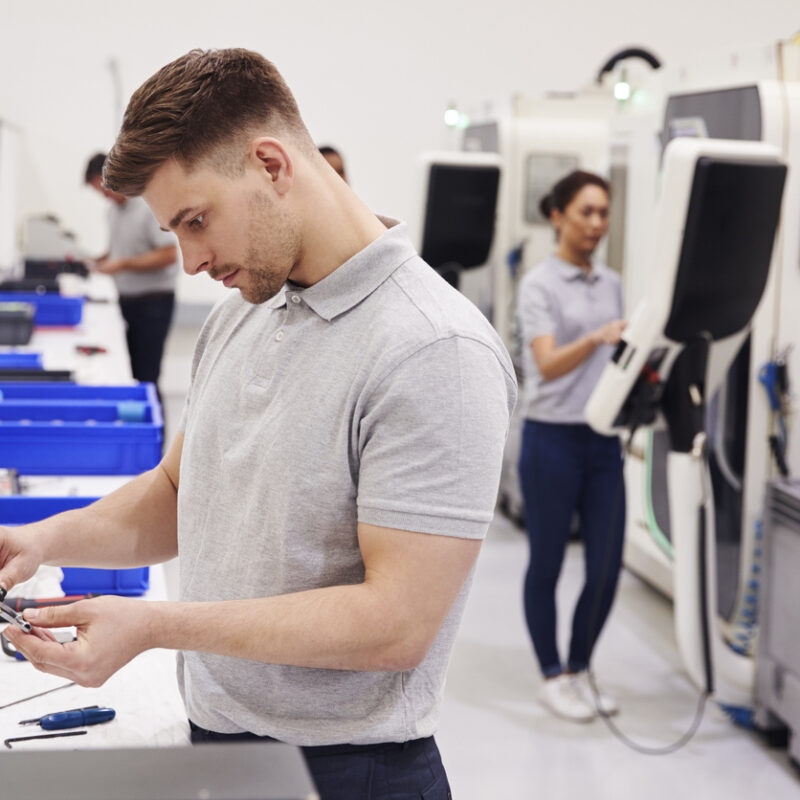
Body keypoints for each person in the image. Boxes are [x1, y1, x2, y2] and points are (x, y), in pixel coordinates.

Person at [2, 49, 516, 799]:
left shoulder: (434, 350)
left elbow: (395, 624)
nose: (188, 259)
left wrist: (156, 626)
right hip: (221, 742)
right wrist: (40, 539)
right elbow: (178, 494)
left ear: (272, 165)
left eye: (196, 220)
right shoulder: (245, 315)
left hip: (351, 771)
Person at [516, 170, 626, 723]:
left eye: (603, 212)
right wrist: (596, 338)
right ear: (558, 216)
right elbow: (547, 363)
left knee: (607, 565)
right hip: (551, 439)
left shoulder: (612, 284)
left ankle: (581, 668)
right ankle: (552, 675)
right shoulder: (539, 286)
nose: (596, 223)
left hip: (603, 441)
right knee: (549, 562)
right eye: (585, 211)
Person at [84, 153, 179, 398]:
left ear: (113, 177)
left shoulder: (148, 207)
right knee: (130, 372)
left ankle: (156, 434)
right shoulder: (114, 212)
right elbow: (117, 251)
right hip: (126, 301)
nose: (104, 196)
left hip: (153, 303)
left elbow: (168, 254)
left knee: (147, 375)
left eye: (104, 189)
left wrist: (122, 264)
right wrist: (96, 261)